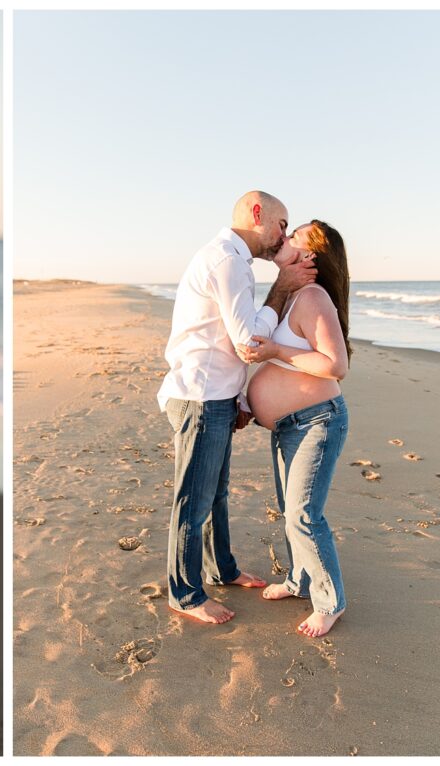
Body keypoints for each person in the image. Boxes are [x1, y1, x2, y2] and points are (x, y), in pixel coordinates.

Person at [156, 191, 316, 625]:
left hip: (217, 393)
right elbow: (248, 343)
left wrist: (240, 397)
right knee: (194, 500)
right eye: (282, 225)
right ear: (257, 213)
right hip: (199, 396)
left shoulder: (234, 261)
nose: (283, 235)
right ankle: (185, 594)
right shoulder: (225, 260)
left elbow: (229, 342)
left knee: (217, 495)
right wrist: (282, 288)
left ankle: (220, 568)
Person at [237, 220, 350, 638]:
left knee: (303, 515)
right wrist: (251, 400)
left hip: (317, 421)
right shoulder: (295, 297)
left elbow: (335, 365)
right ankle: (299, 580)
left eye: (293, 237)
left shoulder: (314, 297)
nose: (283, 241)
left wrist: (276, 349)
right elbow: (281, 363)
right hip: (291, 425)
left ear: (310, 256)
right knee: (291, 514)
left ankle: (330, 601)